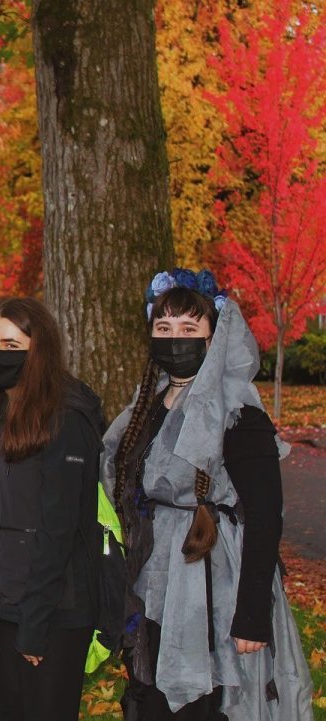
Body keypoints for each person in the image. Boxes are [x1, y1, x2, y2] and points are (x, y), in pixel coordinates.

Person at [104, 269, 312, 719]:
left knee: (205, 703)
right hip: (154, 580)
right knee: (152, 696)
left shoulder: (238, 412)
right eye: (164, 328)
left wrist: (252, 615)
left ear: (213, 337)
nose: (174, 337)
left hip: (216, 582)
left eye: (188, 328)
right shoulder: (147, 406)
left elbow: (264, 515)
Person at [0, 297, 104, 721]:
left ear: (38, 350)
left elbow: (57, 531)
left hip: (51, 615)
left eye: (11, 345)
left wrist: (35, 626)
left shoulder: (67, 419)